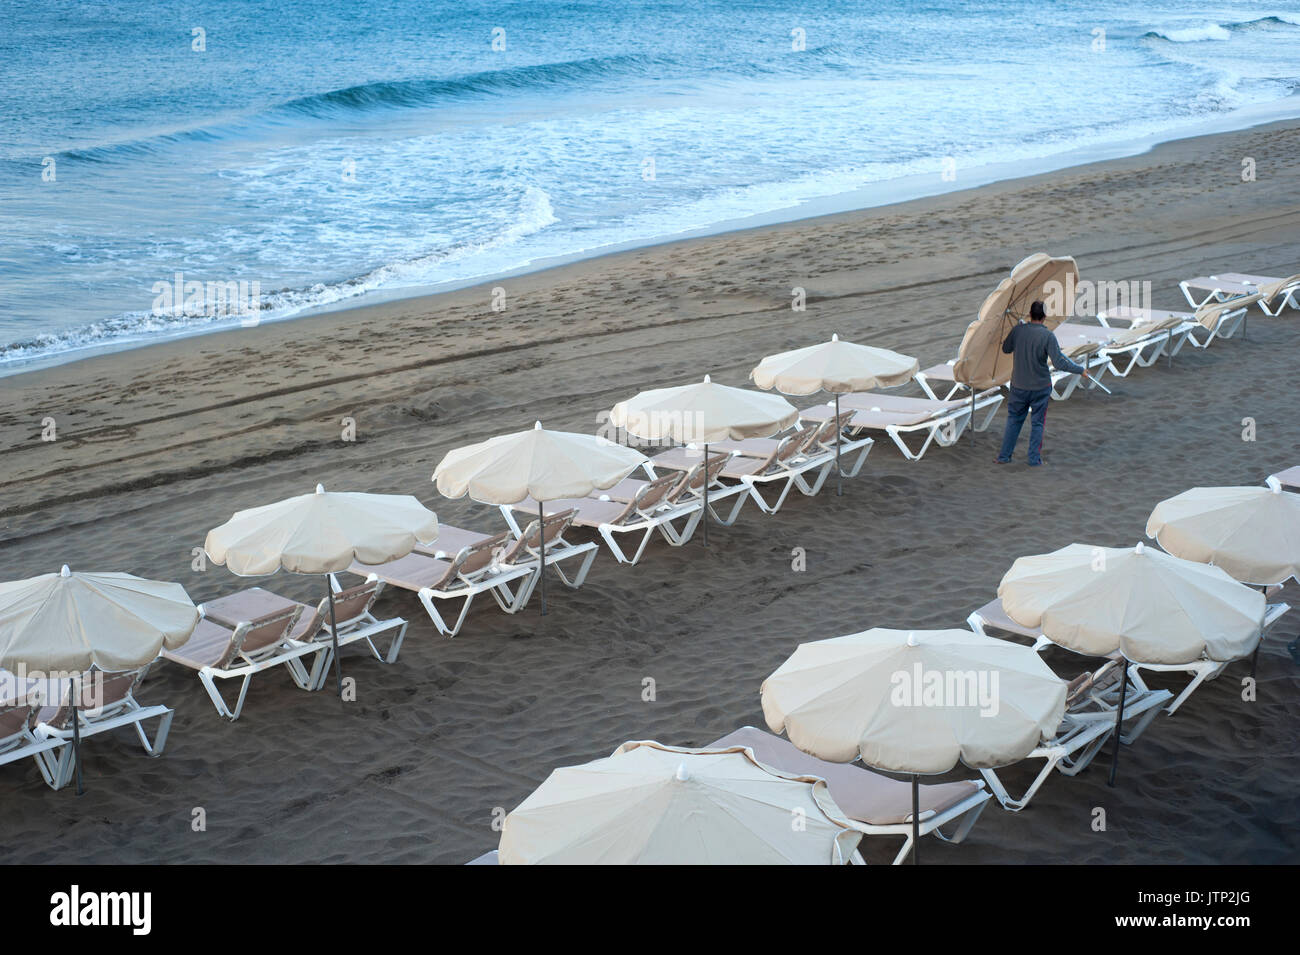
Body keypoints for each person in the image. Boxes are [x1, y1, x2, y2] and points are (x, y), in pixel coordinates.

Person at [995, 300, 1089, 466]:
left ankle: (1004, 457)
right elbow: (1059, 362)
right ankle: (1033, 459)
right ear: (1045, 317)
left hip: (1019, 385)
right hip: (1040, 387)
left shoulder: (1018, 330)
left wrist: (1017, 329)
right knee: (1037, 423)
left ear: (1030, 314)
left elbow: (1006, 349)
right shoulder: (1047, 336)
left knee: (1014, 420)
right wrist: (1079, 370)